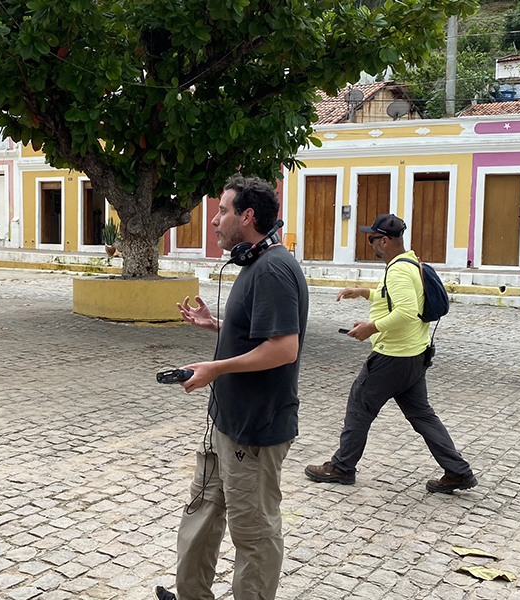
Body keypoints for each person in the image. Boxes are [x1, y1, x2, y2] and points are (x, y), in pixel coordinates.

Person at [156, 175, 309, 600]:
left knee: (254, 533)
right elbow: (261, 335)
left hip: (255, 429)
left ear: (247, 216)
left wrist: (216, 368)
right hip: (225, 422)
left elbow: (283, 349)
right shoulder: (255, 264)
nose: (213, 220)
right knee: (202, 511)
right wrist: (217, 326)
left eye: (222, 211)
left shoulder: (275, 269)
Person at [304, 214, 476, 494]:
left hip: (392, 357)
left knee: (360, 404)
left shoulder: (397, 270)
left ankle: (342, 467)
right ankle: (458, 471)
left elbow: (406, 311)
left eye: (372, 238)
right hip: (414, 356)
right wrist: (364, 292)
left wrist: (371, 328)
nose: (370, 243)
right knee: (422, 415)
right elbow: (397, 299)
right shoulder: (411, 263)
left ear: (384, 240)